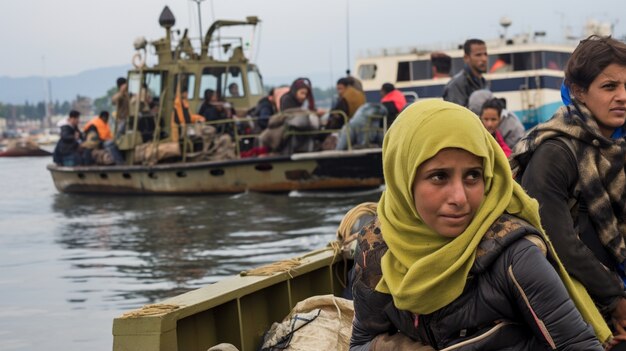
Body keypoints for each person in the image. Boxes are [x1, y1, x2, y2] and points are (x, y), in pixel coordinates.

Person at [349, 99, 611, 350]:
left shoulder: (514, 257)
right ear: (402, 179)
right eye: (439, 176)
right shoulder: (378, 249)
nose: (460, 198)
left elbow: (577, 344)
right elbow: (361, 343)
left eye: (473, 176)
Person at [510, 35, 626, 349]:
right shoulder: (555, 151)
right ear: (578, 92)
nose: (623, 96)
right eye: (609, 87)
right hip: (580, 305)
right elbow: (555, 239)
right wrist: (615, 299)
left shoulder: (617, 145)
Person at [442, 39, 488, 107]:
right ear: (466, 58)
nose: (484, 59)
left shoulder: (482, 81)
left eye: (485, 54)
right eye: (478, 55)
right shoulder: (456, 85)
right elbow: (457, 114)